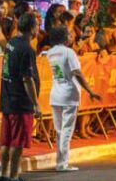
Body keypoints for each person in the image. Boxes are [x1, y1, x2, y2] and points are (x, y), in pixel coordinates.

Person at [42, 27, 101, 171]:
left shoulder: (51, 52)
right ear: (63, 37)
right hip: (69, 93)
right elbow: (77, 73)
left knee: (59, 130)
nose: (72, 37)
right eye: (69, 35)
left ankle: (60, 162)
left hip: (56, 94)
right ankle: (63, 163)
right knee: (67, 130)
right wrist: (90, 91)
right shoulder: (69, 52)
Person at [0, 12, 42, 181]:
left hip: (7, 99)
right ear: (32, 28)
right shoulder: (26, 49)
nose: (38, 28)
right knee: (17, 143)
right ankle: (14, 178)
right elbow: (27, 79)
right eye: (37, 25)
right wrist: (36, 104)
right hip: (20, 102)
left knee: (6, 141)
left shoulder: (12, 43)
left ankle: (4, 176)